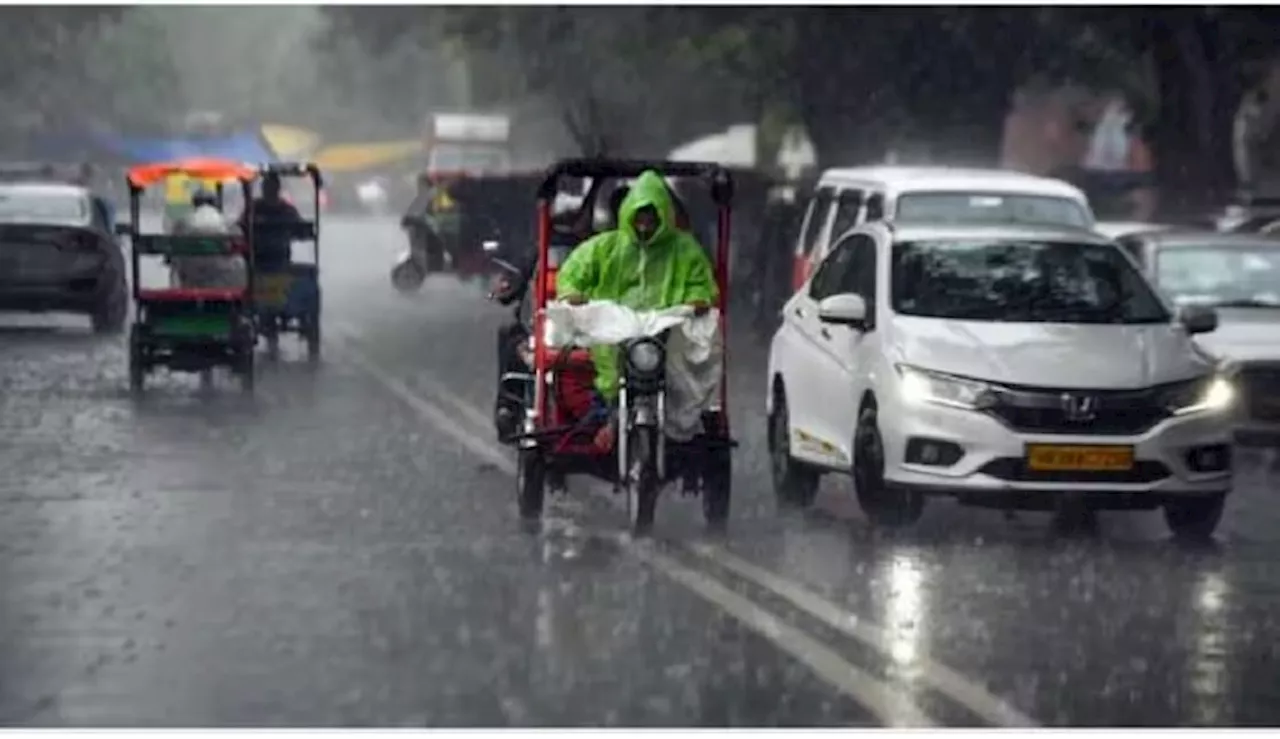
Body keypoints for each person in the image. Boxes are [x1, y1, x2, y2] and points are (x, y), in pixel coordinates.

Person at [555, 170, 718, 451]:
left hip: (666, 330)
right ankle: (608, 415)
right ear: (628, 215)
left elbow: (701, 283)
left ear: (664, 216)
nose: (644, 225)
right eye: (639, 218)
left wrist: (698, 300)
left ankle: (681, 422)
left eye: (651, 218)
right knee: (596, 365)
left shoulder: (685, 249)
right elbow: (574, 271)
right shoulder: (607, 247)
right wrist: (573, 294)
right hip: (617, 333)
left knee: (699, 355)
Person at [169, 188, 246, 289]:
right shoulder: (226, 222)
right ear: (214, 203)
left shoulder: (183, 222)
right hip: (223, 274)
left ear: (194, 203)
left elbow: (172, 253)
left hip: (193, 274)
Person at [238, 171, 303, 272]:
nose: (268, 190)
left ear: (277, 188)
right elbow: (241, 226)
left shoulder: (287, 210)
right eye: (266, 187)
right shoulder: (254, 207)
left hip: (280, 257)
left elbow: (301, 231)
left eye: (271, 187)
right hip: (256, 258)